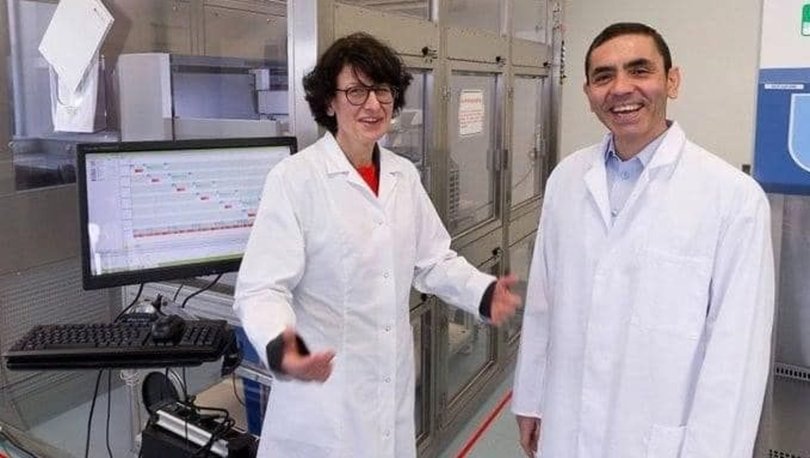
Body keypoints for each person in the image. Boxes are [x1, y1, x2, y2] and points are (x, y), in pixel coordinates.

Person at [234, 32, 521, 458]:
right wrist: (280, 343)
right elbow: (261, 288)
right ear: (329, 103)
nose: (373, 105)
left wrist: (481, 291)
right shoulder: (295, 180)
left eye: (382, 90)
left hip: (390, 382)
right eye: (356, 91)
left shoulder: (403, 175)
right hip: (324, 395)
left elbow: (433, 260)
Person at [512, 22, 774, 458]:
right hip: (567, 421)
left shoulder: (733, 198)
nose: (621, 88)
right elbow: (543, 301)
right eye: (604, 76)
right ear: (588, 93)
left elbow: (737, 354)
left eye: (639, 70)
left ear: (672, 81)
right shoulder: (567, 178)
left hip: (660, 436)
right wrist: (531, 398)